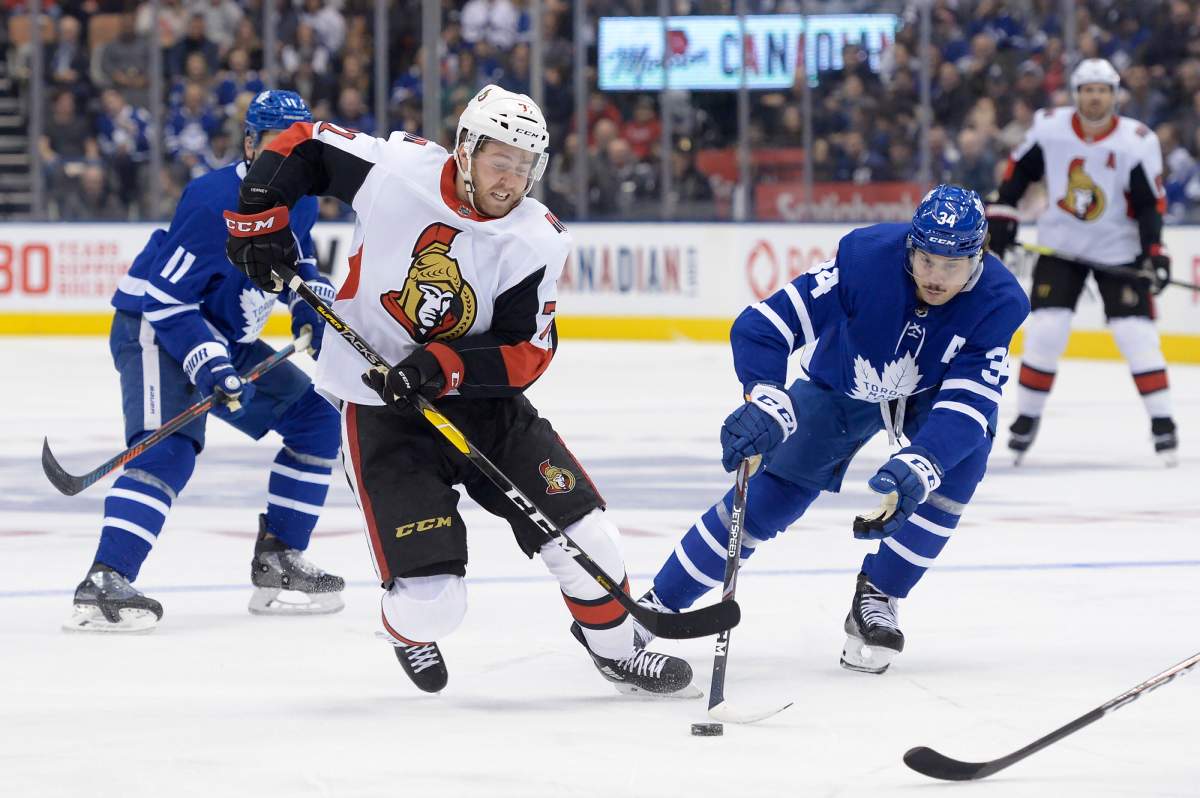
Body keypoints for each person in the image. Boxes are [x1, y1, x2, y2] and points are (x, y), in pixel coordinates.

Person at [223, 84, 697, 697]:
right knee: (434, 604)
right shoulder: (398, 172)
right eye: (500, 161)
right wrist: (260, 218)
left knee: (588, 538)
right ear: (466, 150)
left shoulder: (538, 238)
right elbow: (304, 143)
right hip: (379, 411)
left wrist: (440, 365)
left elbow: (528, 349)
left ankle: (618, 650)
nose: (511, 181)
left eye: (525, 167)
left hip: (481, 404)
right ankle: (408, 630)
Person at [634, 186, 1029, 675]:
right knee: (773, 495)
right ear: (910, 245)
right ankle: (654, 605)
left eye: (951, 266)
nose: (935, 277)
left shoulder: (1000, 300)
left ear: (979, 257)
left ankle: (879, 594)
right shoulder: (866, 260)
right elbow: (764, 324)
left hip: (930, 394)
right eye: (925, 260)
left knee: (961, 460)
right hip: (846, 381)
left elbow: (969, 403)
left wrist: (923, 462)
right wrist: (767, 395)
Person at [64, 90, 344, 633]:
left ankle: (279, 559)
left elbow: (296, 262)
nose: (288, 156)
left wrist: (309, 303)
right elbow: (167, 301)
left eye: (298, 145)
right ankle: (105, 579)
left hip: (224, 329)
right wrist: (209, 365)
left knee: (316, 423)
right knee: (170, 448)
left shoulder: (302, 196)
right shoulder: (211, 199)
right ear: (248, 143)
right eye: (275, 144)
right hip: (154, 326)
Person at [986, 58, 1179, 466]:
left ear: (1114, 94)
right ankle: (1027, 418)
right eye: (1088, 89)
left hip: (1118, 251)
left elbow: (1149, 203)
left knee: (1135, 334)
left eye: (1102, 90)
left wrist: (1154, 252)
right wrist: (1003, 213)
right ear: (1077, 94)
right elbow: (1019, 174)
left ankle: (1163, 423)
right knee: (1047, 330)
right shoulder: (1050, 126)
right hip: (1062, 248)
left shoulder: (1136, 139)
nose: (1095, 97)